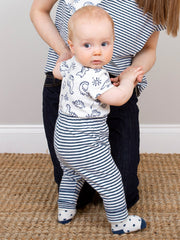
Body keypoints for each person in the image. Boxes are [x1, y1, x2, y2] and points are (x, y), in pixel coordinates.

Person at [30, 0, 180, 209]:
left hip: (116, 87)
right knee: (78, 195)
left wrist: (131, 74)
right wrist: (65, 53)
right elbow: (39, 10)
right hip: (68, 88)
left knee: (125, 195)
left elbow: (149, 48)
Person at [53, 6, 146, 235]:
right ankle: (120, 223)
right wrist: (128, 79)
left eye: (104, 44)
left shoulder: (71, 65)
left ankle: (65, 210)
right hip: (86, 143)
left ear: (113, 42)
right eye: (88, 45)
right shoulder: (95, 75)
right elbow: (120, 98)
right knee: (112, 180)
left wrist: (67, 56)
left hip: (63, 140)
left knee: (72, 173)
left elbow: (57, 72)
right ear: (73, 45)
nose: (97, 52)